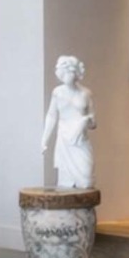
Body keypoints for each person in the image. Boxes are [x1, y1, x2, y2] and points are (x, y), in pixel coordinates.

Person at [41, 55, 96, 190]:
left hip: (80, 140)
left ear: (76, 72)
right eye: (63, 73)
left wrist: (85, 121)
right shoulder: (57, 92)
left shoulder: (86, 93)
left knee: (87, 179)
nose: (66, 76)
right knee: (66, 184)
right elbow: (51, 115)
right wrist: (44, 139)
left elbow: (94, 123)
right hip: (64, 139)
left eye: (69, 72)